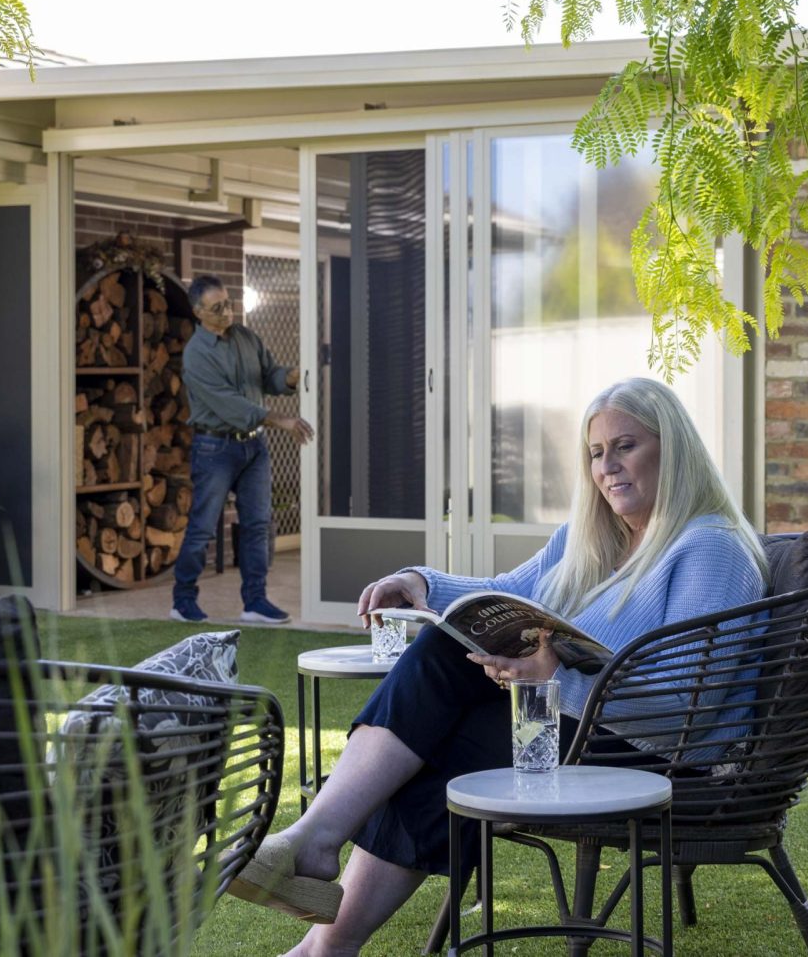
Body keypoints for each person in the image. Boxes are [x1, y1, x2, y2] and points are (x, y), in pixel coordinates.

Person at [227, 377, 770, 955]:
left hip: (661, 754)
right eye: (595, 452)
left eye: (625, 446)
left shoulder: (710, 548)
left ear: (674, 448)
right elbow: (502, 591)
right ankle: (316, 864)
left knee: (449, 746)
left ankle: (319, 910)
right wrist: (421, 583)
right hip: (582, 729)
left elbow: (687, 707)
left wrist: (554, 680)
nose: (607, 465)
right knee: (443, 654)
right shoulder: (592, 540)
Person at [171, 273, 313, 624]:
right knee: (203, 527)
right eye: (217, 307)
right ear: (198, 312)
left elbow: (268, 376)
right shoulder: (196, 356)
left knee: (258, 524)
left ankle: (255, 602)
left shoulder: (246, 337)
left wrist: (290, 377)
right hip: (214, 448)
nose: (227, 312)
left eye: (230, 303)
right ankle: (182, 600)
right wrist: (280, 420)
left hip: (253, 448)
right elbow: (230, 405)